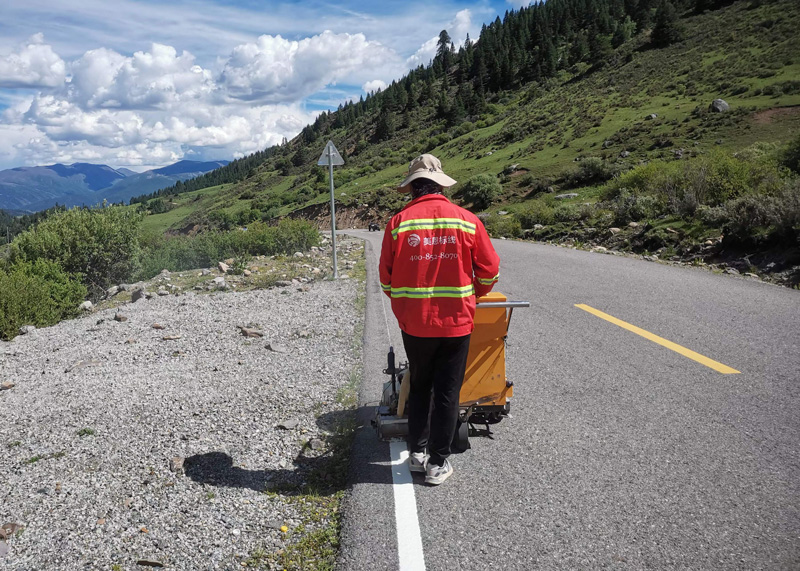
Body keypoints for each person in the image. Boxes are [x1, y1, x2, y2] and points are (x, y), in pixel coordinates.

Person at [379, 154, 500, 485]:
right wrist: (472, 292)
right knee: (448, 392)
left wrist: (406, 305)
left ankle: (416, 454)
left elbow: (386, 279)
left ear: (412, 188)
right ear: (441, 185)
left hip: (415, 325)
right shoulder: (466, 220)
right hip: (456, 323)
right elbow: (490, 272)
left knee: (419, 386)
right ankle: (437, 463)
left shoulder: (398, 223)